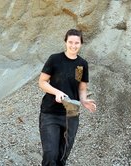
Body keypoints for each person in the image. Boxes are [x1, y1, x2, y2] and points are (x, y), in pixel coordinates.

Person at [38, 29, 96, 166]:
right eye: (70, 42)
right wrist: (56, 92)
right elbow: (42, 82)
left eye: (77, 42)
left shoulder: (82, 65)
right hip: (50, 113)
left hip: (71, 114)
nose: (73, 45)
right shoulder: (55, 59)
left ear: (81, 44)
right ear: (65, 42)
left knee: (62, 155)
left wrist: (84, 100)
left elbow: (81, 88)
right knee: (50, 154)